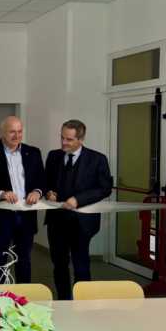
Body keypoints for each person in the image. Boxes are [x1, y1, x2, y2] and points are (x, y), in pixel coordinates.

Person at [45, 119, 113, 300]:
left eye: (69, 139)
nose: (64, 143)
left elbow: (104, 188)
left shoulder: (97, 159)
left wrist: (78, 199)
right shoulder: (53, 156)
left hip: (82, 223)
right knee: (59, 265)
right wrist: (49, 192)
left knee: (81, 264)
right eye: (62, 138)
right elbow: (46, 181)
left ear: (81, 139)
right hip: (56, 221)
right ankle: (64, 301)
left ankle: (83, 304)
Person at [0, 116, 45, 283]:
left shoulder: (33, 152)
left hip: (27, 215)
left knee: (24, 259)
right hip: (0, 216)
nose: (17, 136)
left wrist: (37, 191)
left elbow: (41, 179)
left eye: (20, 131)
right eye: (12, 132)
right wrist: (1, 193)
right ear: (2, 132)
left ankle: (23, 294)